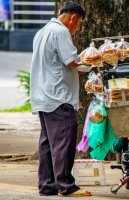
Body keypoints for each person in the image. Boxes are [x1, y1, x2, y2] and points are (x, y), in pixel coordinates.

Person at [30, 1, 91, 197]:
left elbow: (62, 66)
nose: (76, 29)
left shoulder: (42, 32)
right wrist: (93, 60)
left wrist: (83, 68)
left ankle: (47, 185)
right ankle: (66, 185)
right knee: (63, 143)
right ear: (73, 18)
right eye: (78, 24)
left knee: (48, 144)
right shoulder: (61, 32)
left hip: (44, 96)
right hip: (58, 97)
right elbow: (72, 61)